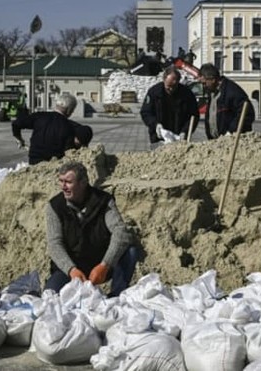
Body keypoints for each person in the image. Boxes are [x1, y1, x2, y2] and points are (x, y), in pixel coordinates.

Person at [44, 161, 138, 296]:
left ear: (83, 183)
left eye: (68, 182)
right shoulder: (55, 207)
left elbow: (121, 233)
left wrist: (105, 265)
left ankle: (116, 296)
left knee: (130, 252)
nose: (63, 186)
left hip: (99, 264)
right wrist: (71, 270)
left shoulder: (103, 201)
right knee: (50, 296)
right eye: (61, 181)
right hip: (71, 267)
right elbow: (54, 244)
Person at [12, 93, 84, 165]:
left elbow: (16, 124)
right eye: (73, 110)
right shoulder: (69, 127)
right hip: (53, 167)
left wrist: (19, 138)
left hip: (34, 163)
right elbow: (69, 151)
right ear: (69, 110)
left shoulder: (39, 116)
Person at [140, 66, 199, 146]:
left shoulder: (187, 94)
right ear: (164, 80)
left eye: (174, 87)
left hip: (179, 136)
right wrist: (155, 124)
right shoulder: (154, 92)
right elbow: (146, 112)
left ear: (178, 82)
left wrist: (185, 131)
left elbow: (194, 115)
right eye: (168, 86)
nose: (171, 89)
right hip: (158, 137)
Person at [198, 63, 254, 139]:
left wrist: (231, 131)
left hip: (233, 140)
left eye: (204, 83)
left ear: (213, 79)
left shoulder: (232, 91)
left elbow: (247, 113)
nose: (203, 86)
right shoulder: (212, 93)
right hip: (216, 141)